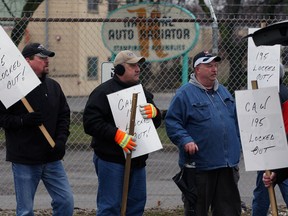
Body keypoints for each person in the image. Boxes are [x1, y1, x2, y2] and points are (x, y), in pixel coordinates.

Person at [83, 50, 162, 216]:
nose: (138, 68)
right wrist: (116, 135)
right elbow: (90, 123)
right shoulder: (102, 92)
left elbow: (155, 122)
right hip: (111, 159)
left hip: (138, 160)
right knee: (110, 207)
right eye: (132, 65)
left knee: (136, 205)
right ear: (119, 69)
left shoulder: (143, 93)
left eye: (138, 65)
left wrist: (155, 113)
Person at [0, 43, 74, 216]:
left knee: (66, 201)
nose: (47, 61)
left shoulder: (53, 86)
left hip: (52, 159)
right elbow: (2, 118)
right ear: (27, 60)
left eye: (47, 57)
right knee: (25, 210)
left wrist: (61, 141)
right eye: (42, 57)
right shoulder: (13, 89)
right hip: (24, 159)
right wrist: (22, 120)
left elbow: (64, 115)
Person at [165, 51, 242, 216]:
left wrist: (239, 144)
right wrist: (185, 140)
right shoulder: (184, 94)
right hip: (200, 166)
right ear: (197, 69)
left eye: (215, 65)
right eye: (209, 65)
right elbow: (172, 122)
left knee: (229, 211)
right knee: (197, 211)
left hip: (227, 165)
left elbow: (235, 121)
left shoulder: (223, 92)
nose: (214, 69)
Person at [252, 63, 288, 216]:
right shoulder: (282, 92)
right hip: (279, 148)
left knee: (264, 188)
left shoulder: (273, 95)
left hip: (271, 148)